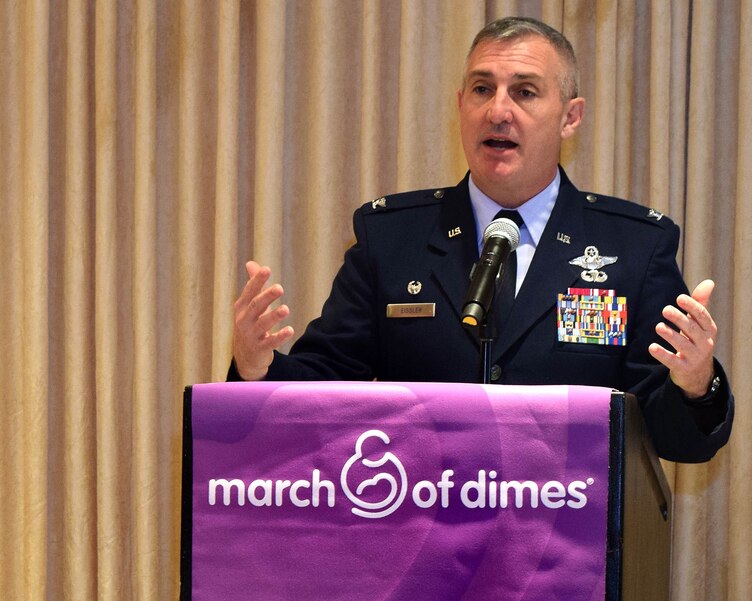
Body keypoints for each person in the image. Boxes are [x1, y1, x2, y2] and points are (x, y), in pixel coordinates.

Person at [229, 16, 733, 463]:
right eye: (482, 89)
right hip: (421, 533)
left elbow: (676, 441)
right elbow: (328, 386)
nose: (498, 111)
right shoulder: (393, 237)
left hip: (569, 546)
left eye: (525, 91)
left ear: (570, 116)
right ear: (460, 105)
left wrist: (693, 384)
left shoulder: (636, 247)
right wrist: (259, 369)